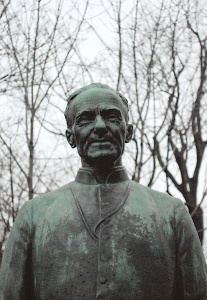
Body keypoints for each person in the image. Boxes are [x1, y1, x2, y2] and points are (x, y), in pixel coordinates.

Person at [0, 83, 206, 299]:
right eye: (86, 119)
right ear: (71, 137)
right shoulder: (34, 215)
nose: (99, 126)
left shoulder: (171, 213)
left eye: (111, 117)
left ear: (128, 132)